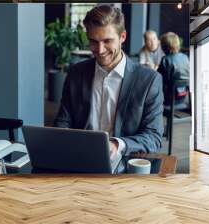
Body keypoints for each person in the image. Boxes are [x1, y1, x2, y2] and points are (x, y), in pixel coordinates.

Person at [54, 5, 164, 172]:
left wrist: (117, 144)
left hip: (123, 164)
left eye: (107, 41)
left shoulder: (149, 80)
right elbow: (63, 121)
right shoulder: (76, 73)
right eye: (93, 41)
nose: (100, 50)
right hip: (77, 162)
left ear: (123, 37)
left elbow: (153, 137)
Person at [157, 32, 189, 105]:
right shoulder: (185, 57)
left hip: (169, 98)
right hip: (183, 96)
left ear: (164, 46)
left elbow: (159, 78)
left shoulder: (165, 60)